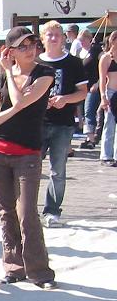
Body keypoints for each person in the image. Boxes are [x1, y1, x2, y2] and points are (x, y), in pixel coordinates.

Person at [0, 26, 56, 289]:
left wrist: (9, 76)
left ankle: (40, 272)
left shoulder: (44, 73)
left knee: (27, 214)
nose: (30, 49)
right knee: (6, 213)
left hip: (27, 154)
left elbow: (20, 102)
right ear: (10, 51)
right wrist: (6, 75)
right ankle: (13, 267)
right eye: (22, 46)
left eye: (32, 44)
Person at [35, 21, 87, 228]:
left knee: (58, 170)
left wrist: (65, 99)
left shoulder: (74, 63)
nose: (54, 38)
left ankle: (52, 211)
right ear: (43, 38)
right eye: (50, 34)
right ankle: (27, 210)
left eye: (58, 34)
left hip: (63, 124)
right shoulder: (36, 62)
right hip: (37, 123)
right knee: (30, 169)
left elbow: (82, 92)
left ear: (64, 38)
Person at [77, 30, 102, 150]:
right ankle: (88, 137)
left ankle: (91, 138)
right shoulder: (79, 52)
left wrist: (98, 83)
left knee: (89, 110)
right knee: (82, 112)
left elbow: (104, 67)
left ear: (89, 39)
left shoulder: (96, 51)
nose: (82, 42)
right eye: (80, 40)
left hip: (93, 86)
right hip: (81, 86)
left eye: (83, 40)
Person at [98, 31, 117, 166]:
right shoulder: (106, 57)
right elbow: (102, 79)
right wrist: (103, 96)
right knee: (109, 123)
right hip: (110, 91)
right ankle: (106, 155)